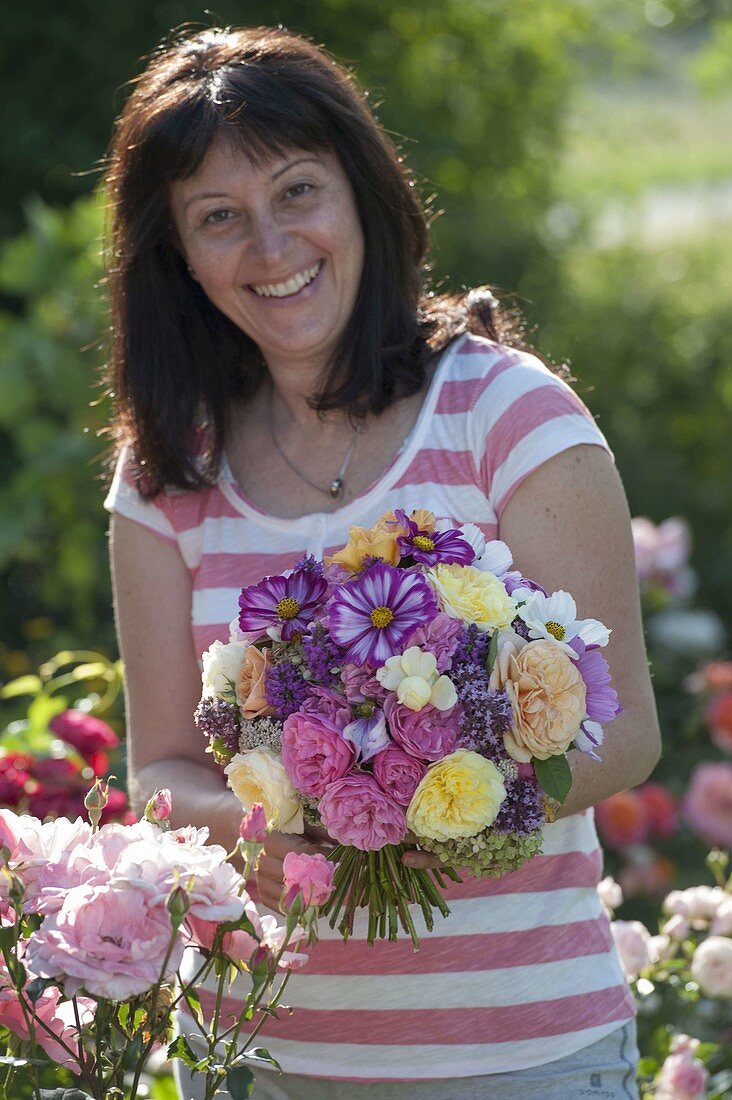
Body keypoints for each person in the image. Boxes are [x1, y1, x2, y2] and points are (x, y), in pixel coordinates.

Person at [103, 25, 660, 1100]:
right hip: (256, 1054)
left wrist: (426, 797)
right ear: (176, 256)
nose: (271, 246)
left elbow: (626, 729)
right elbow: (161, 770)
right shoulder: (170, 468)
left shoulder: (511, 414)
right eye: (220, 218)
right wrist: (306, 807)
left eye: (298, 191)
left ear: (361, 194)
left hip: (522, 1053)